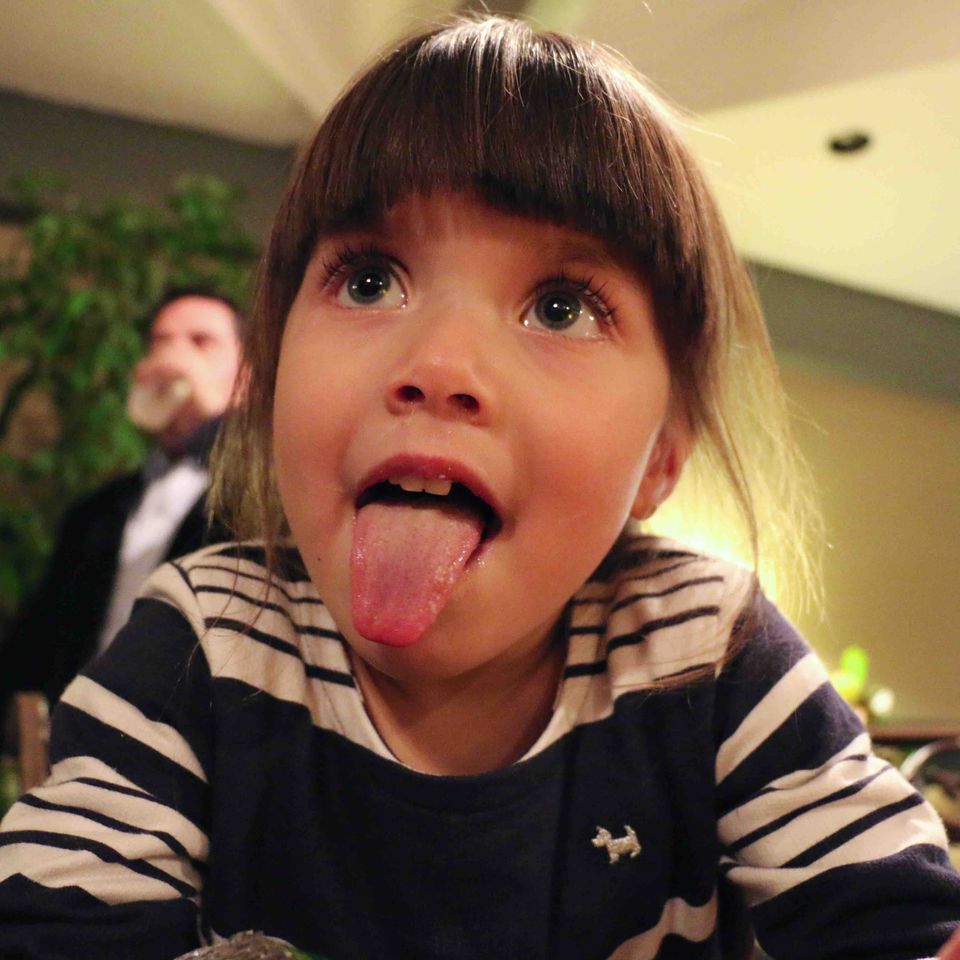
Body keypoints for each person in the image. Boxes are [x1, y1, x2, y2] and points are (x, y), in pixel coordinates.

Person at [0, 17, 957, 960]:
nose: (438, 365)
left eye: (560, 307)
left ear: (663, 455)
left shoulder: (705, 652)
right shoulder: (209, 640)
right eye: (370, 281)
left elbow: (902, 928)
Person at [0, 287, 243, 720]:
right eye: (160, 342)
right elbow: (33, 651)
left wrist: (220, 418)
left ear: (248, 375)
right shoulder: (97, 512)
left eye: (201, 342)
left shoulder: (264, 497)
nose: (174, 357)